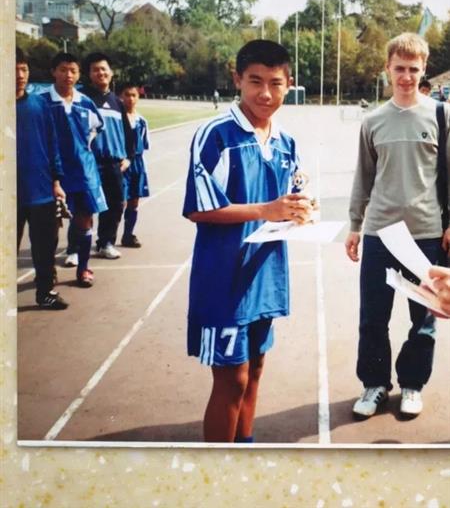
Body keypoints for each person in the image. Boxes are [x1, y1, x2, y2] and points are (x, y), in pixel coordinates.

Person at [182, 40, 314, 442]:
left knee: (255, 371)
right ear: (237, 79)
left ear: (289, 84)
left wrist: (301, 209)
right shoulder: (216, 135)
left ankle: (245, 448)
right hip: (224, 279)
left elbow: (288, 199)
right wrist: (267, 209)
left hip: (265, 276)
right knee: (231, 379)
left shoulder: (286, 141)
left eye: (276, 83)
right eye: (255, 81)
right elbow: (198, 209)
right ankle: (219, 468)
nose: (266, 94)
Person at [345, 32, 450, 419]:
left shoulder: (441, 115)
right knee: (373, 317)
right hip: (380, 234)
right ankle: (374, 384)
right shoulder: (373, 120)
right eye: (399, 68)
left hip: (426, 234)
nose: (406, 76)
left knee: (423, 320)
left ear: (424, 71)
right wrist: (355, 225)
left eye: (413, 69)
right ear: (387, 69)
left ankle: (412, 385)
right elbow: (364, 177)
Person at [41, 52, 107, 288]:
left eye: (73, 71)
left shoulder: (85, 102)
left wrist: (85, 150)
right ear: (53, 72)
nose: (68, 75)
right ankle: (48, 271)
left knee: (85, 220)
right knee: (50, 225)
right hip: (52, 173)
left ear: (79, 74)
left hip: (83, 172)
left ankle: (83, 268)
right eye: (63, 70)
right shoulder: (42, 102)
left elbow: (96, 129)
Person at [16, 48, 68, 309]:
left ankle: (45, 292)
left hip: (41, 190)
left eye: (23, 69)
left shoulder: (39, 104)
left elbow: (52, 145)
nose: (19, 76)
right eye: (13, 70)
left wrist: (56, 182)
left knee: (45, 247)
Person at [80, 52, 135, 259]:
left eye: (104, 69)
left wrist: (128, 157)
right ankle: (76, 248)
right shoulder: (82, 99)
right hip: (89, 162)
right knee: (85, 206)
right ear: (89, 74)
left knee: (115, 204)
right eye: (95, 70)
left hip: (113, 163)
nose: (100, 73)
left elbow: (128, 134)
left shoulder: (117, 103)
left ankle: (106, 243)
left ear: (111, 73)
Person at [118, 83, 150, 247]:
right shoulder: (117, 119)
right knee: (119, 202)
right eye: (127, 95)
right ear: (120, 96)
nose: (130, 99)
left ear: (138, 97)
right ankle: (107, 238)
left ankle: (128, 234)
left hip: (137, 163)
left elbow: (144, 145)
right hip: (120, 163)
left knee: (134, 201)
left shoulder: (142, 121)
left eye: (133, 95)